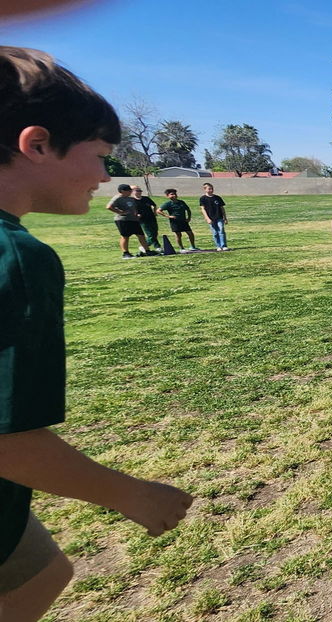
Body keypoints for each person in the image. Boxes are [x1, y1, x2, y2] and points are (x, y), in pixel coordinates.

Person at [0, 45, 193, 621]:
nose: (106, 177)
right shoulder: (17, 258)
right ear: (36, 145)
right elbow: (8, 439)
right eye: (100, 156)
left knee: (44, 574)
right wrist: (131, 494)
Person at [106, 183, 154, 259]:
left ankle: (147, 251)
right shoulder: (117, 198)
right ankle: (126, 253)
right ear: (122, 191)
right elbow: (109, 207)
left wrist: (136, 213)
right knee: (125, 236)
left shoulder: (130, 198)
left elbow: (134, 207)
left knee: (141, 235)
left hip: (133, 219)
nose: (130, 192)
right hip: (123, 220)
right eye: (129, 191)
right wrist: (120, 212)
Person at [198, 182, 229, 251]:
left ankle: (224, 245)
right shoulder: (203, 198)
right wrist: (207, 218)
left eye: (212, 188)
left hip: (219, 217)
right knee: (215, 232)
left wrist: (225, 217)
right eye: (209, 189)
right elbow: (203, 209)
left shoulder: (217, 197)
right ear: (205, 189)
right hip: (211, 218)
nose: (211, 190)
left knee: (221, 230)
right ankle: (218, 246)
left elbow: (222, 208)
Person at [130, 185, 160, 251]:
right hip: (142, 219)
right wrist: (136, 215)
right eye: (137, 191)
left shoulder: (146, 198)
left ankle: (157, 246)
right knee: (150, 234)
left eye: (140, 191)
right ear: (133, 192)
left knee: (155, 232)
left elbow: (154, 205)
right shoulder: (132, 200)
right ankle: (144, 246)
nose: (139, 192)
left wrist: (154, 212)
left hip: (151, 217)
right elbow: (130, 209)